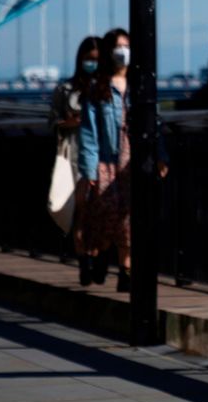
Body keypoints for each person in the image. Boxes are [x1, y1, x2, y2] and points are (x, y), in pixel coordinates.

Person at [76, 27, 140, 292]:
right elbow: (89, 133)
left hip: (132, 161)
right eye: (118, 47)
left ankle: (126, 271)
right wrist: (89, 172)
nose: (122, 51)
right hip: (105, 161)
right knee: (105, 215)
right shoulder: (97, 88)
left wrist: (159, 157)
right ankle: (100, 255)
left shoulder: (140, 84)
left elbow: (154, 122)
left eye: (127, 45)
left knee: (129, 219)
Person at [49, 36, 99, 285]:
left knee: (99, 213)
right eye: (89, 59)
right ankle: (85, 262)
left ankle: (95, 257)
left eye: (97, 60)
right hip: (75, 157)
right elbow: (52, 121)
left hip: (103, 157)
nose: (93, 64)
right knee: (82, 213)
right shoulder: (65, 90)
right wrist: (68, 123)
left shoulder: (109, 88)